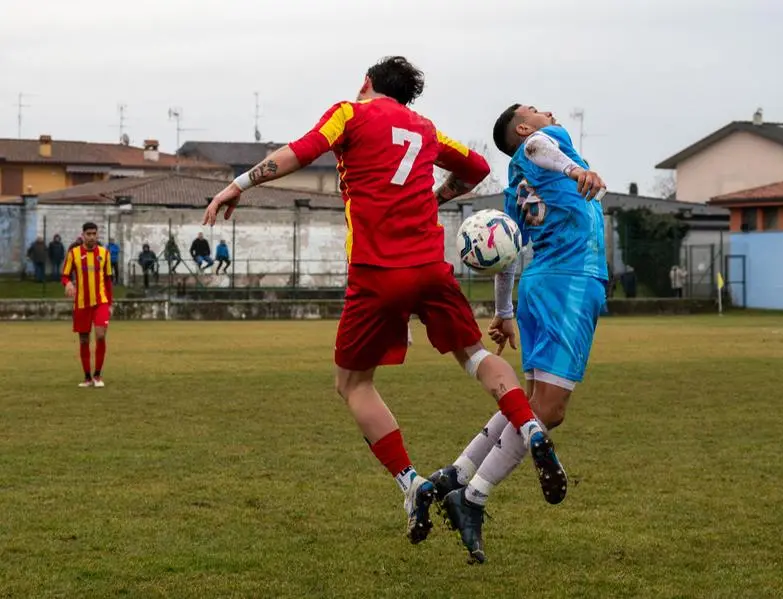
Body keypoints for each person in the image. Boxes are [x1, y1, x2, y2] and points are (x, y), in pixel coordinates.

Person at [203, 56, 566, 546]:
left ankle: (410, 482)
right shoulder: (424, 127)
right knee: (476, 355)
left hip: (376, 273)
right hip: (429, 267)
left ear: (366, 83)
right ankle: (531, 429)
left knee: (352, 384)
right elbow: (478, 167)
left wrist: (237, 184)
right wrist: (438, 197)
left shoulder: (351, 112)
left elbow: (300, 151)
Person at [429, 103, 608, 563]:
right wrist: (574, 169)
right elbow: (541, 145)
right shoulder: (544, 146)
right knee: (550, 410)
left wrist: (505, 309)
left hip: (541, 286)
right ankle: (472, 498)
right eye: (535, 109)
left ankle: (458, 472)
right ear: (524, 127)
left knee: (528, 406)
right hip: (570, 281)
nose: (547, 109)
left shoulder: (516, 187)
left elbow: (507, 249)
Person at [61, 222, 113, 388]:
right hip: (82, 303)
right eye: (88, 234)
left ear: (97, 235)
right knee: (84, 340)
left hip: (101, 302)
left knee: (100, 335)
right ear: (83, 235)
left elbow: (108, 280)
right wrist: (68, 284)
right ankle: (87, 377)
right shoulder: (74, 253)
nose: (91, 237)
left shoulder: (105, 253)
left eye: (94, 234)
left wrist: (110, 303)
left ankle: (98, 375)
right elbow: (65, 275)